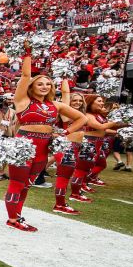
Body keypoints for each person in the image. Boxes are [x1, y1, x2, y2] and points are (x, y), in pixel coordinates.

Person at [3, 48, 86, 232]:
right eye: (40, 83)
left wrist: (65, 133)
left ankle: (17, 215)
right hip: (24, 146)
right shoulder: (23, 102)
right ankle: (13, 218)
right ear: (32, 87)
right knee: (17, 184)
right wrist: (27, 53)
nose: (44, 86)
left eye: (48, 84)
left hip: (42, 149)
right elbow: (25, 75)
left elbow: (82, 118)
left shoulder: (55, 105)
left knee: (27, 185)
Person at [71, 94, 125, 199]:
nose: (102, 103)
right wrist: (116, 122)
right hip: (88, 143)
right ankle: (75, 193)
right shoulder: (88, 115)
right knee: (82, 169)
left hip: (98, 143)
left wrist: (125, 125)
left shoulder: (98, 114)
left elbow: (106, 128)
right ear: (91, 102)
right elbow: (99, 126)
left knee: (99, 164)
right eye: (99, 101)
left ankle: (83, 184)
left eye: (102, 101)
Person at [52, 82, 88, 215]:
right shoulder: (65, 114)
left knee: (65, 177)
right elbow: (65, 94)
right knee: (63, 177)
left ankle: (61, 203)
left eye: (80, 100)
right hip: (66, 147)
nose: (77, 102)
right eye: (74, 100)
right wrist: (65, 79)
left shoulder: (80, 115)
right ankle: (59, 205)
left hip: (75, 148)